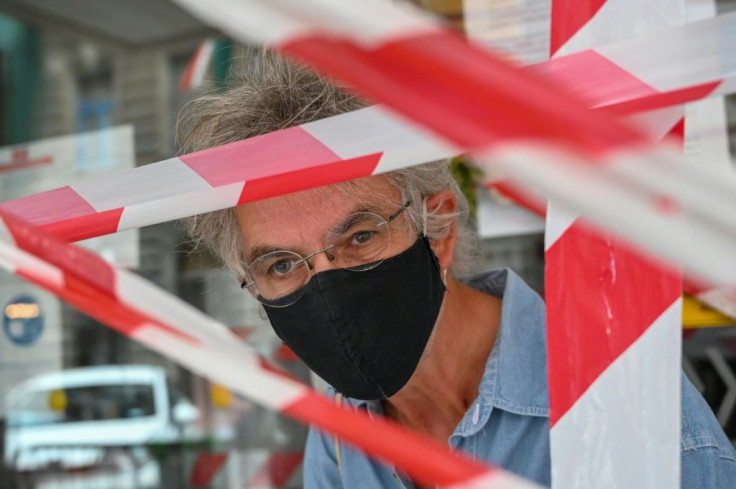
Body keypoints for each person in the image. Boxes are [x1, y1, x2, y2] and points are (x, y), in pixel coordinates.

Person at [180, 52, 736, 488]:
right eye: (280, 264)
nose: (326, 283)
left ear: (438, 228)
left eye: (361, 236)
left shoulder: (622, 406)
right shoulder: (343, 435)